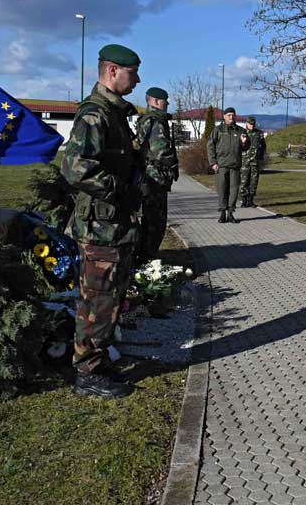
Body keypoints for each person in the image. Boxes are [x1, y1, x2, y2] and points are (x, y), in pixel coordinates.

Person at [60, 44, 142, 399]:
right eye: (132, 72)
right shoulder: (95, 114)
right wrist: (118, 191)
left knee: (109, 297)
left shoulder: (115, 113)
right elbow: (75, 166)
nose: (137, 79)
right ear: (112, 71)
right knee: (97, 300)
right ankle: (87, 373)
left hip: (113, 226)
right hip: (99, 227)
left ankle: (97, 361)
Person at [134, 86, 179, 263]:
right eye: (165, 102)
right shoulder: (156, 121)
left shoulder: (147, 119)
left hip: (149, 175)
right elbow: (161, 151)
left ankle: (145, 256)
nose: (167, 104)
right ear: (156, 101)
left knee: (150, 219)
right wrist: (173, 164)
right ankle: (147, 259)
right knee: (155, 221)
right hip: (155, 178)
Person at [208, 107, 243, 223]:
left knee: (233, 191)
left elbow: (245, 147)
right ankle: (222, 213)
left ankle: (231, 214)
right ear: (224, 116)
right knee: (222, 190)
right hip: (221, 165)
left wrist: (245, 142)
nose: (231, 117)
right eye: (229, 115)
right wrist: (213, 162)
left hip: (235, 166)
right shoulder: (218, 130)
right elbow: (210, 146)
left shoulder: (240, 131)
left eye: (233, 115)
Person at [239, 116, 267, 208]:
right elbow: (238, 146)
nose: (252, 125)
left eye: (253, 124)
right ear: (246, 123)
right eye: (250, 124)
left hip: (255, 161)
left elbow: (263, 146)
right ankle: (244, 200)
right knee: (244, 181)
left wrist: (261, 157)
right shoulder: (242, 133)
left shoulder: (259, 133)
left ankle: (251, 200)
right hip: (244, 161)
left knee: (254, 182)